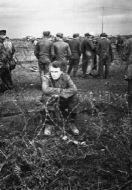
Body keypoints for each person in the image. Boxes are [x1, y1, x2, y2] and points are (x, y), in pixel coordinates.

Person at [41, 61, 79, 135]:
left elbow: (74, 89)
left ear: (61, 71)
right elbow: (45, 89)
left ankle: (71, 123)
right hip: (52, 101)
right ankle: (49, 124)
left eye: (56, 71)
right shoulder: (46, 77)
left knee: (75, 97)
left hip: (63, 100)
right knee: (46, 97)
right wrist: (61, 91)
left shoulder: (66, 77)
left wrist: (59, 94)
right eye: (52, 71)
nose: (53, 74)